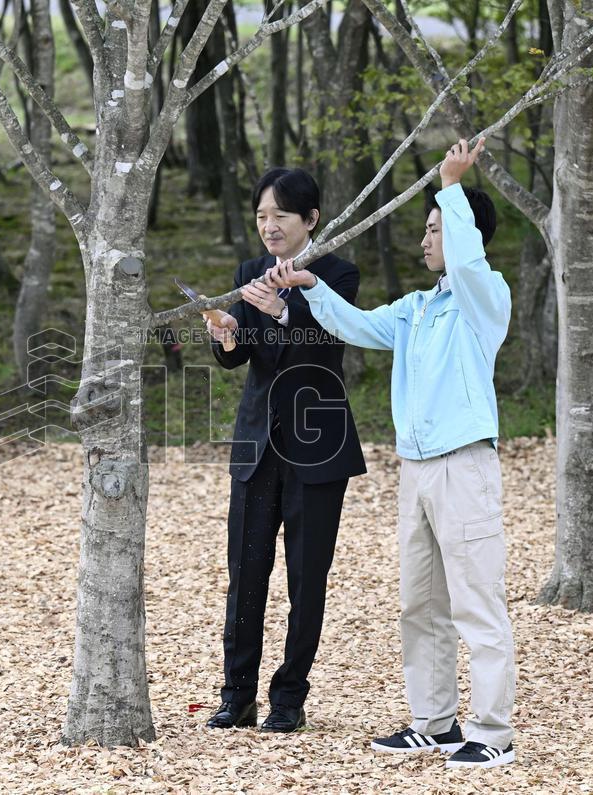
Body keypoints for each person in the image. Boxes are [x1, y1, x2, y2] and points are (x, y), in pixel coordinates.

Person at [267, 139, 516, 767]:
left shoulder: (484, 298)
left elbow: (465, 264)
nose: (425, 240)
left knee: (475, 601)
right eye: (427, 229)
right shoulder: (416, 308)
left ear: (463, 235)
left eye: (435, 230)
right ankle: (435, 722)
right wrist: (310, 286)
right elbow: (357, 325)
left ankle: (494, 733)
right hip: (418, 466)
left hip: (465, 465)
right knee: (420, 602)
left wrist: (452, 187)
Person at [204, 168, 366, 733]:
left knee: (306, 576)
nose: (269, 227)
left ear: (311, 220)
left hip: (318, 444)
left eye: (281, 216)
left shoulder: (339, 276)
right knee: (246, 573)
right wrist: (227, 332)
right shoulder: (250, 272)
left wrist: (282, 311)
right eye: (261, 217)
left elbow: (325, 349)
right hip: (257, 444)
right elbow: (242, 355)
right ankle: (237, 694)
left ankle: (289, 698)